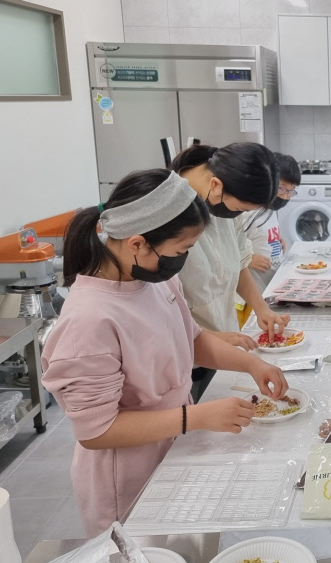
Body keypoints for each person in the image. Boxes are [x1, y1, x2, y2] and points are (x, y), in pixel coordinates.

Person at [42, 169, 289, 535]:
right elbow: (96, 431)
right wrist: (196, 417)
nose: (183, 260)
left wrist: (250, 363)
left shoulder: (151, 279)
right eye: (181, 250)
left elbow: (190, 338)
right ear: (138, 243)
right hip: (127, 476)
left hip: (173, 445)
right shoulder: (89, 321)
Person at [170, 143, 290, 399]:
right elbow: (156, 306)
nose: (237, 215)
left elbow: (239, 264)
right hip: (183, 354)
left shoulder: (221, 204)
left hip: (225, 344)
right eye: (239, 209)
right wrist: (211, 337)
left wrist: (261, 309)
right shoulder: (169, 211)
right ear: (215, 185)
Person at [240, 152, 301, 292]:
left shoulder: (270, 209)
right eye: (282, 188)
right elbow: (227, 245)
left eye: (291, 191)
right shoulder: (248, 212)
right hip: (252, 291)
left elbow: (258, 234)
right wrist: (248, 258)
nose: (286, 196)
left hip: (269, 284)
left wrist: (274, 242)